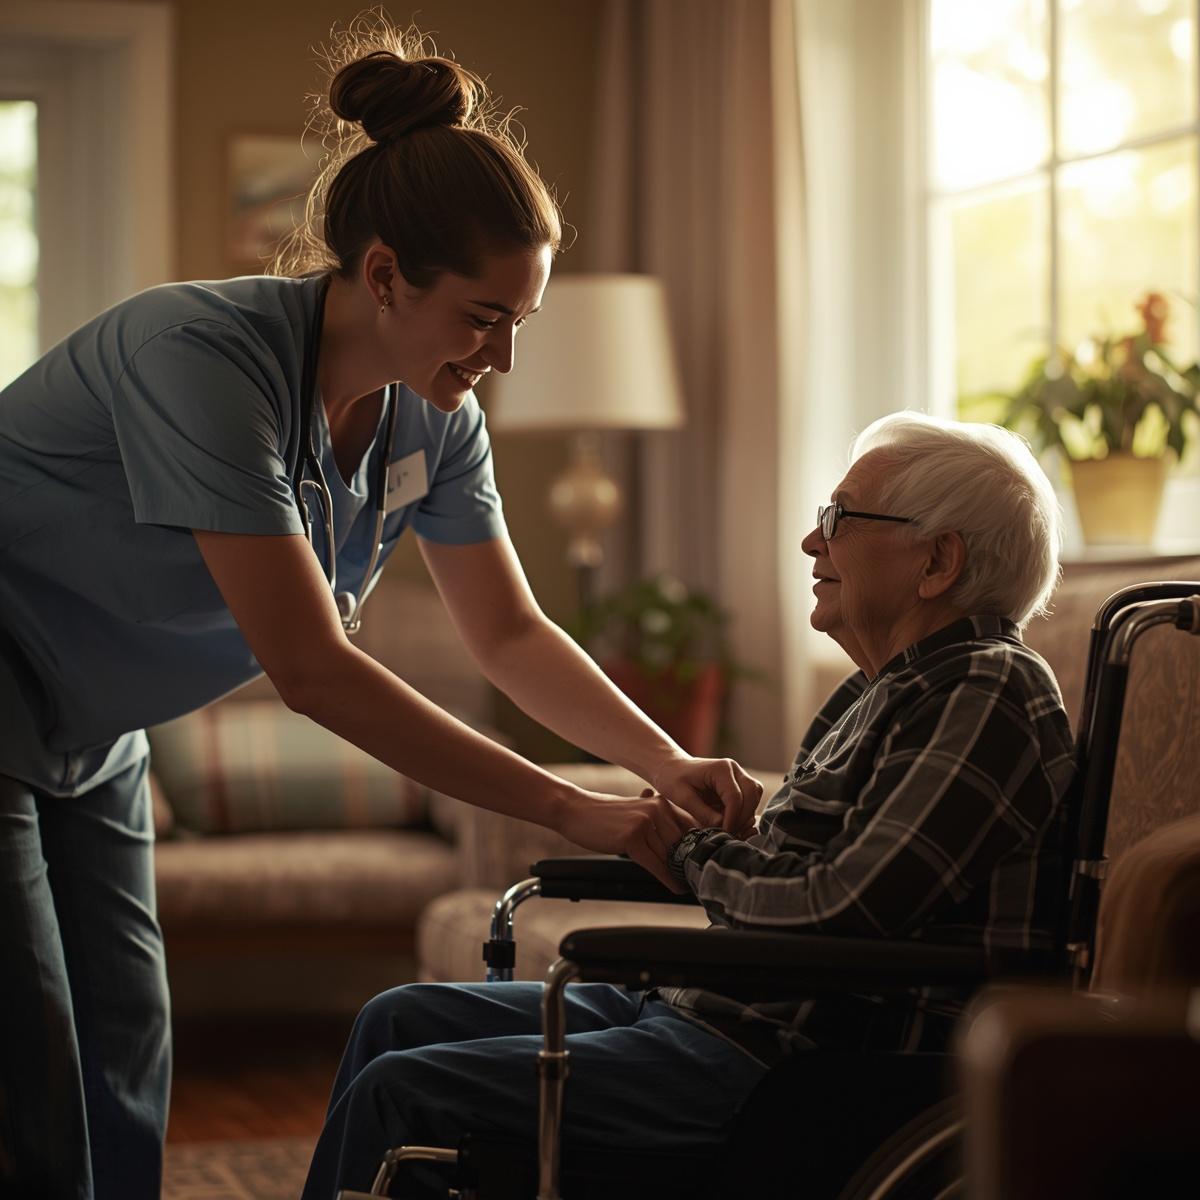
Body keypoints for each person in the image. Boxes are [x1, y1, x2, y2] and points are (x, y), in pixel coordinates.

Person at [0, 19, 761, 1200]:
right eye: (483, 317)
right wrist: (572, 806)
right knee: (31, 1062)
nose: (501, 356)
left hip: (94, 725)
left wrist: (660, 765)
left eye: (522, 322)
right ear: (385, 276)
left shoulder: (435, 417)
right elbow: (311, 669)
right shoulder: (202, 356)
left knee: (124, 1046)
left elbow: (506, 632)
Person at [299, 412, 1077, 1200]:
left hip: (790, 1060)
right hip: (708, 1017)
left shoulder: (987, 688)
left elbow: (839, 908)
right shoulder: (874, 695)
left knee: (402, 1089)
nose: (813, 543)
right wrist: (702, 838)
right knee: (392, 1018)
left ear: (938, 561)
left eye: (839, 519)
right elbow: (794, 876)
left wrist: (686, 851)